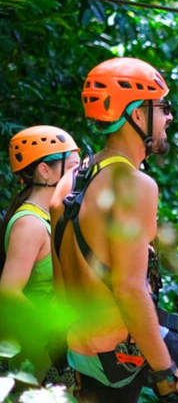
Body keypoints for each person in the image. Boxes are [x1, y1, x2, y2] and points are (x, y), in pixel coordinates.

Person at [49, 57, 178, 403]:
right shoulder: (134, 184)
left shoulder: (68, 182)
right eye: (163, 107)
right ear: (137, 114)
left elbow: (62, 285)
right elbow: (129, 289)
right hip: (129, 349)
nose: (169, 116)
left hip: (83, 352)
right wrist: (167, 377)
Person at [0, 125, 80, 384]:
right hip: (37, 351)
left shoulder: (50, 216)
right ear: (45, 170)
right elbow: (9, 290)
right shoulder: (30, 224)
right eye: (72, 168)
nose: (78, 176)